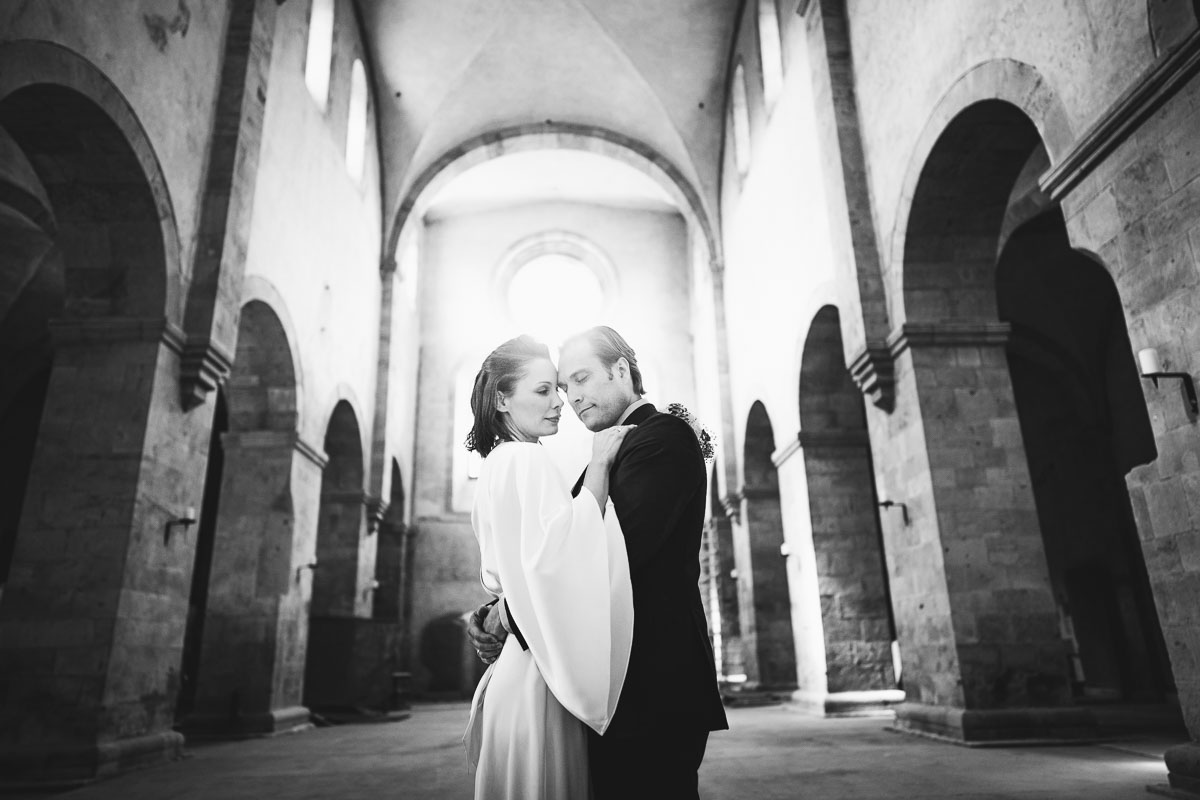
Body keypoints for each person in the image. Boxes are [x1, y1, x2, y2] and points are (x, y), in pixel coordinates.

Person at [469, 326, 729, 800]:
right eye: (562, 387)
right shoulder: (601, 455)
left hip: (654, 681)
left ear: (622, 370)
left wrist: (508, 615)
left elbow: (612, 552)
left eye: (582, 379)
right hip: (614, 681)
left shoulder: (661, 438)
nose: (572, 398)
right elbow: (553, 552)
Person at [461, 334, 637, 800]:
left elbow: (516, 569)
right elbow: (556, 562)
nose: (561, 402)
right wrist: (599, 468)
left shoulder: (496, 463)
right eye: (543, 391)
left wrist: (497, 609)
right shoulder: (527, 460)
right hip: (541, 672)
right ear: (502, 398)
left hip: (516, 668)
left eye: (558, 389)